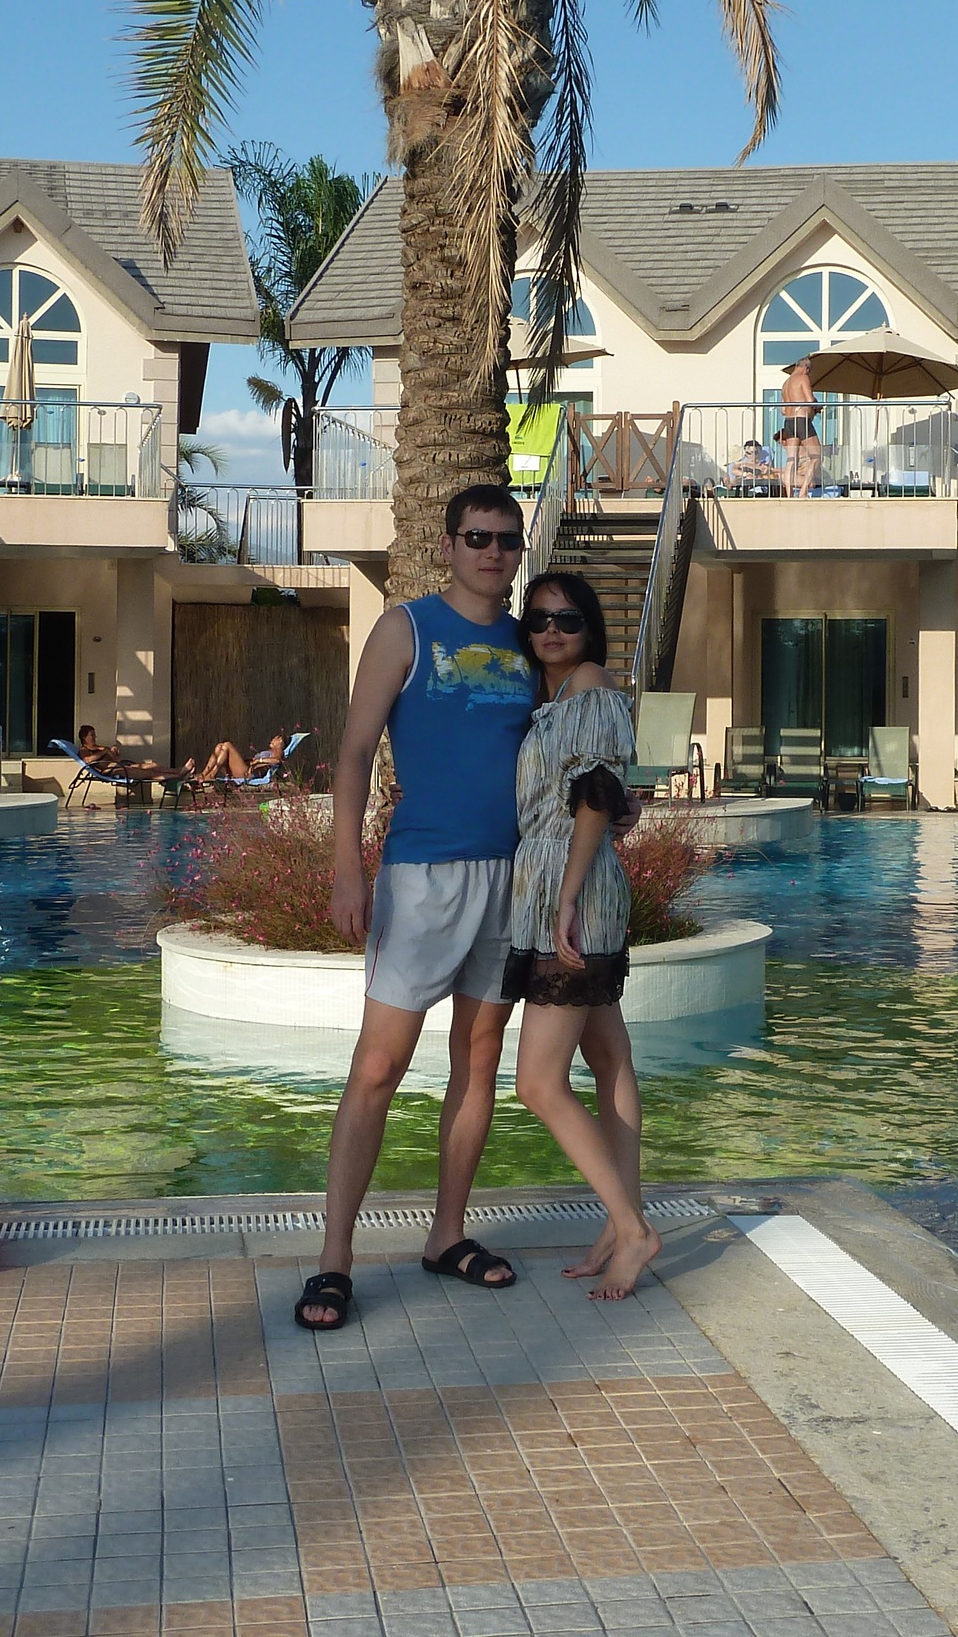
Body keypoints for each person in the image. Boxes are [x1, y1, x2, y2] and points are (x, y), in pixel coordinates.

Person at [303, 485, 539, 1331]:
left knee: (479, 1058)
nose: (493, 552)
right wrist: (347, 868)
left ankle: (447, 1236)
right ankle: (335, 1260)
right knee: (378, 1067)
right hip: (423, 875)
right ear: (448, 545)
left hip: (511, 877)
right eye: (478, 537)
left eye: (507, 539)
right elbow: (355, 751)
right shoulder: (405, 628)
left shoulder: (528, 643)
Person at [503, 571, 659, 1301]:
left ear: (590, 628)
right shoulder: (548, 695)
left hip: (573, 887)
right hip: (559, 880)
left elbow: (596, 793)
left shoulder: (590, 683)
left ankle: (632, 1228)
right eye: (539, 620)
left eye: (567, 619)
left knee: (537, 1081)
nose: (552, 631)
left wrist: (566, 897)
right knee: (607, 1055)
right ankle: (619, 1223)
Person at [778, 358, 822, 496]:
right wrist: (817, 404)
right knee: (816, 456)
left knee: (791, 458)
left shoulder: (786, 383)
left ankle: (789, 493)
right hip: (801, 419)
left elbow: (783, 410)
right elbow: (809, 400)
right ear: (806, 368)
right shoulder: (803, 378)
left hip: (789, 421)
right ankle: (803, 491)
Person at [193, 727, 291, 784]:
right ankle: (204, 774)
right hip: (244, 768)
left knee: (227, 745)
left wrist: (259, 760)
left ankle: (211, 775)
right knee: (220, 746)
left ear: (280, 741)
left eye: (275, 739)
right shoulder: (270, 751)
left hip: (246, 774)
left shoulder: (279, 751)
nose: (272, 740)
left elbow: (277, 760)